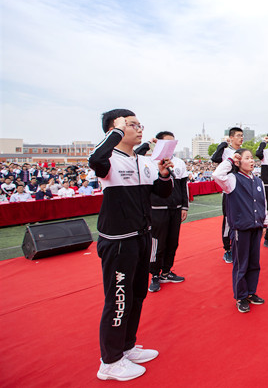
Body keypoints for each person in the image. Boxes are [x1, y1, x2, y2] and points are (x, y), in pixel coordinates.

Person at [89, 109, 173, 382]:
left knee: (137, 295)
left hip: (142, 236)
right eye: (132, 124)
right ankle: (110, 361)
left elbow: (161, 192)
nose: (139, 129)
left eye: (140, 124)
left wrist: (162, 174)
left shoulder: (144, 161)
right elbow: (95, 158)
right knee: (119, 299)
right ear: (115, 129)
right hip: (119, 241)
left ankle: (126, 346)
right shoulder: (108, 158)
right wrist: (115, 131)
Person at [213, 148, 268, 313]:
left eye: (252, 158)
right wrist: (231, 160)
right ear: (238, 162)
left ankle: (251, 292)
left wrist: (265, 223)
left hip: (256, 227)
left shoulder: (258, 181)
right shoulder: (232, 180)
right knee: (241, 264)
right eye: (247, 158)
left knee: (254, 262)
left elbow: (263, 203)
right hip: (240, 229)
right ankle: (241, 296)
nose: (252, 161)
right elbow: (217, 175)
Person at [135, 132, 190, 293]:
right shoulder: (148, 161)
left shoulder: (179, 162)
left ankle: (166, 271)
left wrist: (184, 207)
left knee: (173, 242)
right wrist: (147, 143)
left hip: (175, 209)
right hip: (157, 210)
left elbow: (183, 186)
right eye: (165, 142)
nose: (169, 145)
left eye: (172, 143)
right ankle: (154, 274)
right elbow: (134, 156)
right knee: (157, 244)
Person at [212, 127, 244, 264]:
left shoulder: (243, 152)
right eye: (238, 135)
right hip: (229, 190)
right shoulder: (226, 151)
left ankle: (239, 245)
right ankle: (227, 249)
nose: (241, 138)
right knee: (228, 221)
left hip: (242, 189)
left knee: (242, 218)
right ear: (230, 138)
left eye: (242, 135)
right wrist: (222, 145)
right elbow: (215, 158)